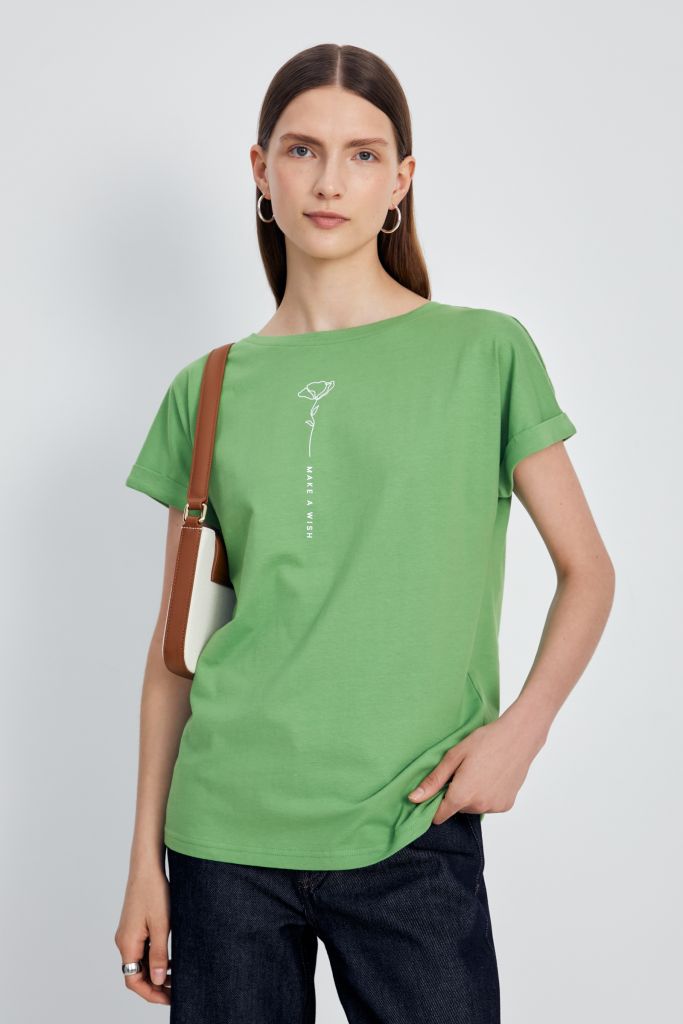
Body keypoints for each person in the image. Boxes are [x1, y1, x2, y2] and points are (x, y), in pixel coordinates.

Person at [114, 42, 615, 1023]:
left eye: (362, 154)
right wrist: (143, 862)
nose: (329, 181)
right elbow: (177, 651)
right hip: (223, 840)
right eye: (301, 150)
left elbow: (586, 570)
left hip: (411, 825)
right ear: (261, 169)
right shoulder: (207, 388)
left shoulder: (482, 351)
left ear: (400, 180)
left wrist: (520, 732)